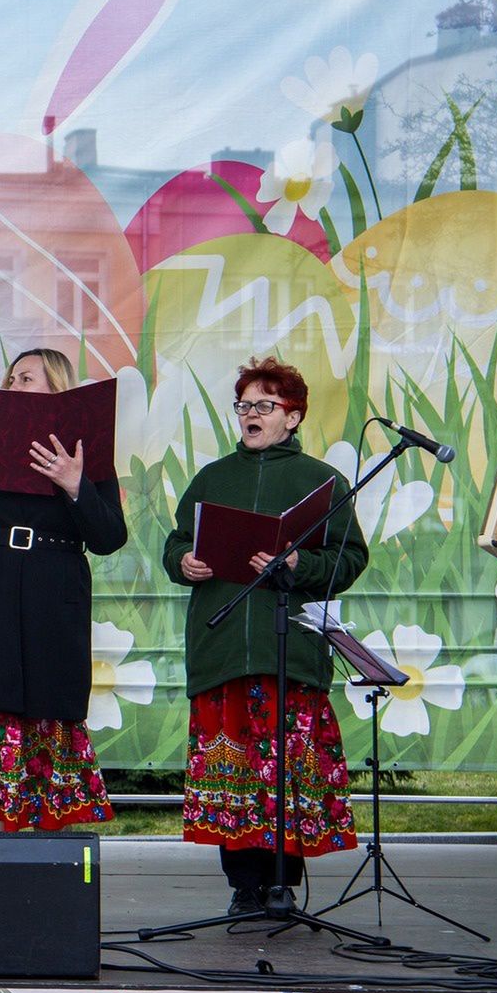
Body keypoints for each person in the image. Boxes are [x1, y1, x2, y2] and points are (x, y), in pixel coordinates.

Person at [162, 356, 367, 914]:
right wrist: (186, 563)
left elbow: (350, 557)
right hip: (223, 645)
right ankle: (243, 889)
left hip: (289, 648)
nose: (250, 415)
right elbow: (176, 544)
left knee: (283, 772)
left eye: (264, 406)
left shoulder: (322, 481)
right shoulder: (212, 477)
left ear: (293, 417)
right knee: (232, 769)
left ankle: (282, 884)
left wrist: (301, 562)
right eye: (244, 405)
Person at [0, 348, 128, 831]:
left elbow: (109, 538)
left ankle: (45, 872)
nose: (15, 386)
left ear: (56, 392)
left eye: (27, 379)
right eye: (11, 379)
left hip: (53, 595)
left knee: (49, 714)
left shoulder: (88, 454)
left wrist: (75, 485)